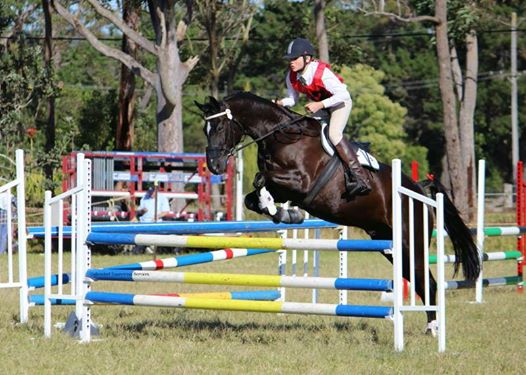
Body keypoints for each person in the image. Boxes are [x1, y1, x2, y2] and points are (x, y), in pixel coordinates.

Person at [275, 37, 371, 196]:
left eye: (294, 58)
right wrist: (278, 103)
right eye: (289, 59)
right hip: (323, 106)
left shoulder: (321, 72)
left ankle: (359, 176)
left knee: (334, 134)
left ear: (307, 58)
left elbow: (344, 94)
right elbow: (292, 100)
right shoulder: (291, 76)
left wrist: (319, 105)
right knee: (308, 132)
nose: (291, 62)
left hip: (340, 104)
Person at [133, 186, 171, 254]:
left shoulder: (162, 198)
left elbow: (166, 211)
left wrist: (157, 216)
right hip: (143, 223)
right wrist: (142, 211)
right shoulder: (145, 197)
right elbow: (139, 211)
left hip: (155, 223)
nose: (151, 194)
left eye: (152, 192)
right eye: (150, 192)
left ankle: (149, 249)